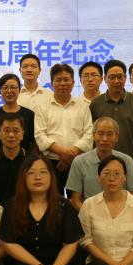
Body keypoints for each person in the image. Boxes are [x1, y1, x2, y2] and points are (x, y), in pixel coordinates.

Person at [0, 155, 83, 265]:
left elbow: (71, 244)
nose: (38, 177)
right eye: (32, 173)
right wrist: (36, 264)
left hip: (58, 264)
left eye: (43, 172)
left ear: (51, 177)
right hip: (27, 262)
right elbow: (7, 242)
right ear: (23, 177)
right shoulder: (13, 205)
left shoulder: (64, 205)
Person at [34, 63, 93, 194]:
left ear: (73, 82)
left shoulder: (83, 106)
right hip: (52, 162)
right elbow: (40, 135)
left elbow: (89, 134)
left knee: (77, 198)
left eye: (66, 80)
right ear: (51, 83)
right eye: (58, 80)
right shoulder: (42, 106)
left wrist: (70, 154)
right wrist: (63, 153)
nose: (62, 83)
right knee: (54, 200)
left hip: (78, 161)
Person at [90, 59, 133, 181]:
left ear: (125, 78)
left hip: (132, 160)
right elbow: (92, 137)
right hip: (103, 162)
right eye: (112, 77)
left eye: (119, 77)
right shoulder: (96, 104)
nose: (116, 81)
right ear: (105, 79)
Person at [66, 117, 133, 210]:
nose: (105, 139)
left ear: (116, 137)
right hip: (89, 213)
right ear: (93, 136)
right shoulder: (79, 162)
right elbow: (75, 200)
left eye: (109, 134)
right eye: (100, 134)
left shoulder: (127, 161)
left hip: (121, 213)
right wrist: (88, 216)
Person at [0, 73, 38, 156]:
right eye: (5, 88)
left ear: (19, 90)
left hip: (25, 161)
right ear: (0, 91)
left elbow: (33, 145)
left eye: (13, 87)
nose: (9, 91)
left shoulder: (29, 115)